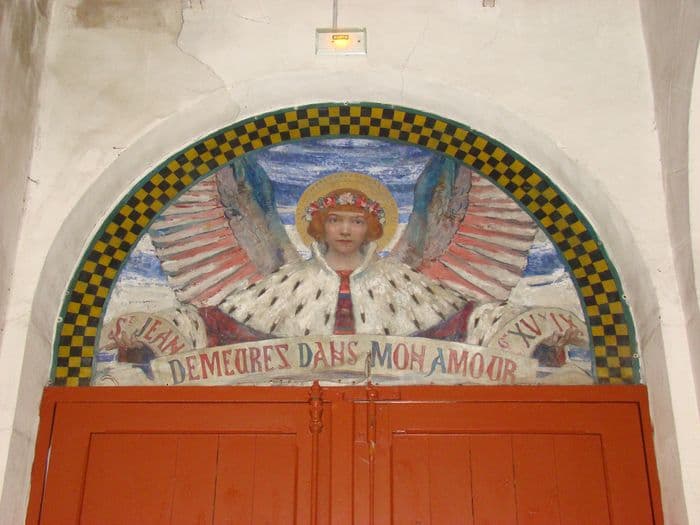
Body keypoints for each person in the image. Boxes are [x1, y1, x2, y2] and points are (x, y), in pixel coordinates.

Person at [198, 173, 475, 345]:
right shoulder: (291, 279)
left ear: (369, 228)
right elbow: (231, 324)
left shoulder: (397, 278)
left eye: (356, 221)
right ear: (321, 225)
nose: (345, 230)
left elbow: (454, 320)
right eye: (334, 220)